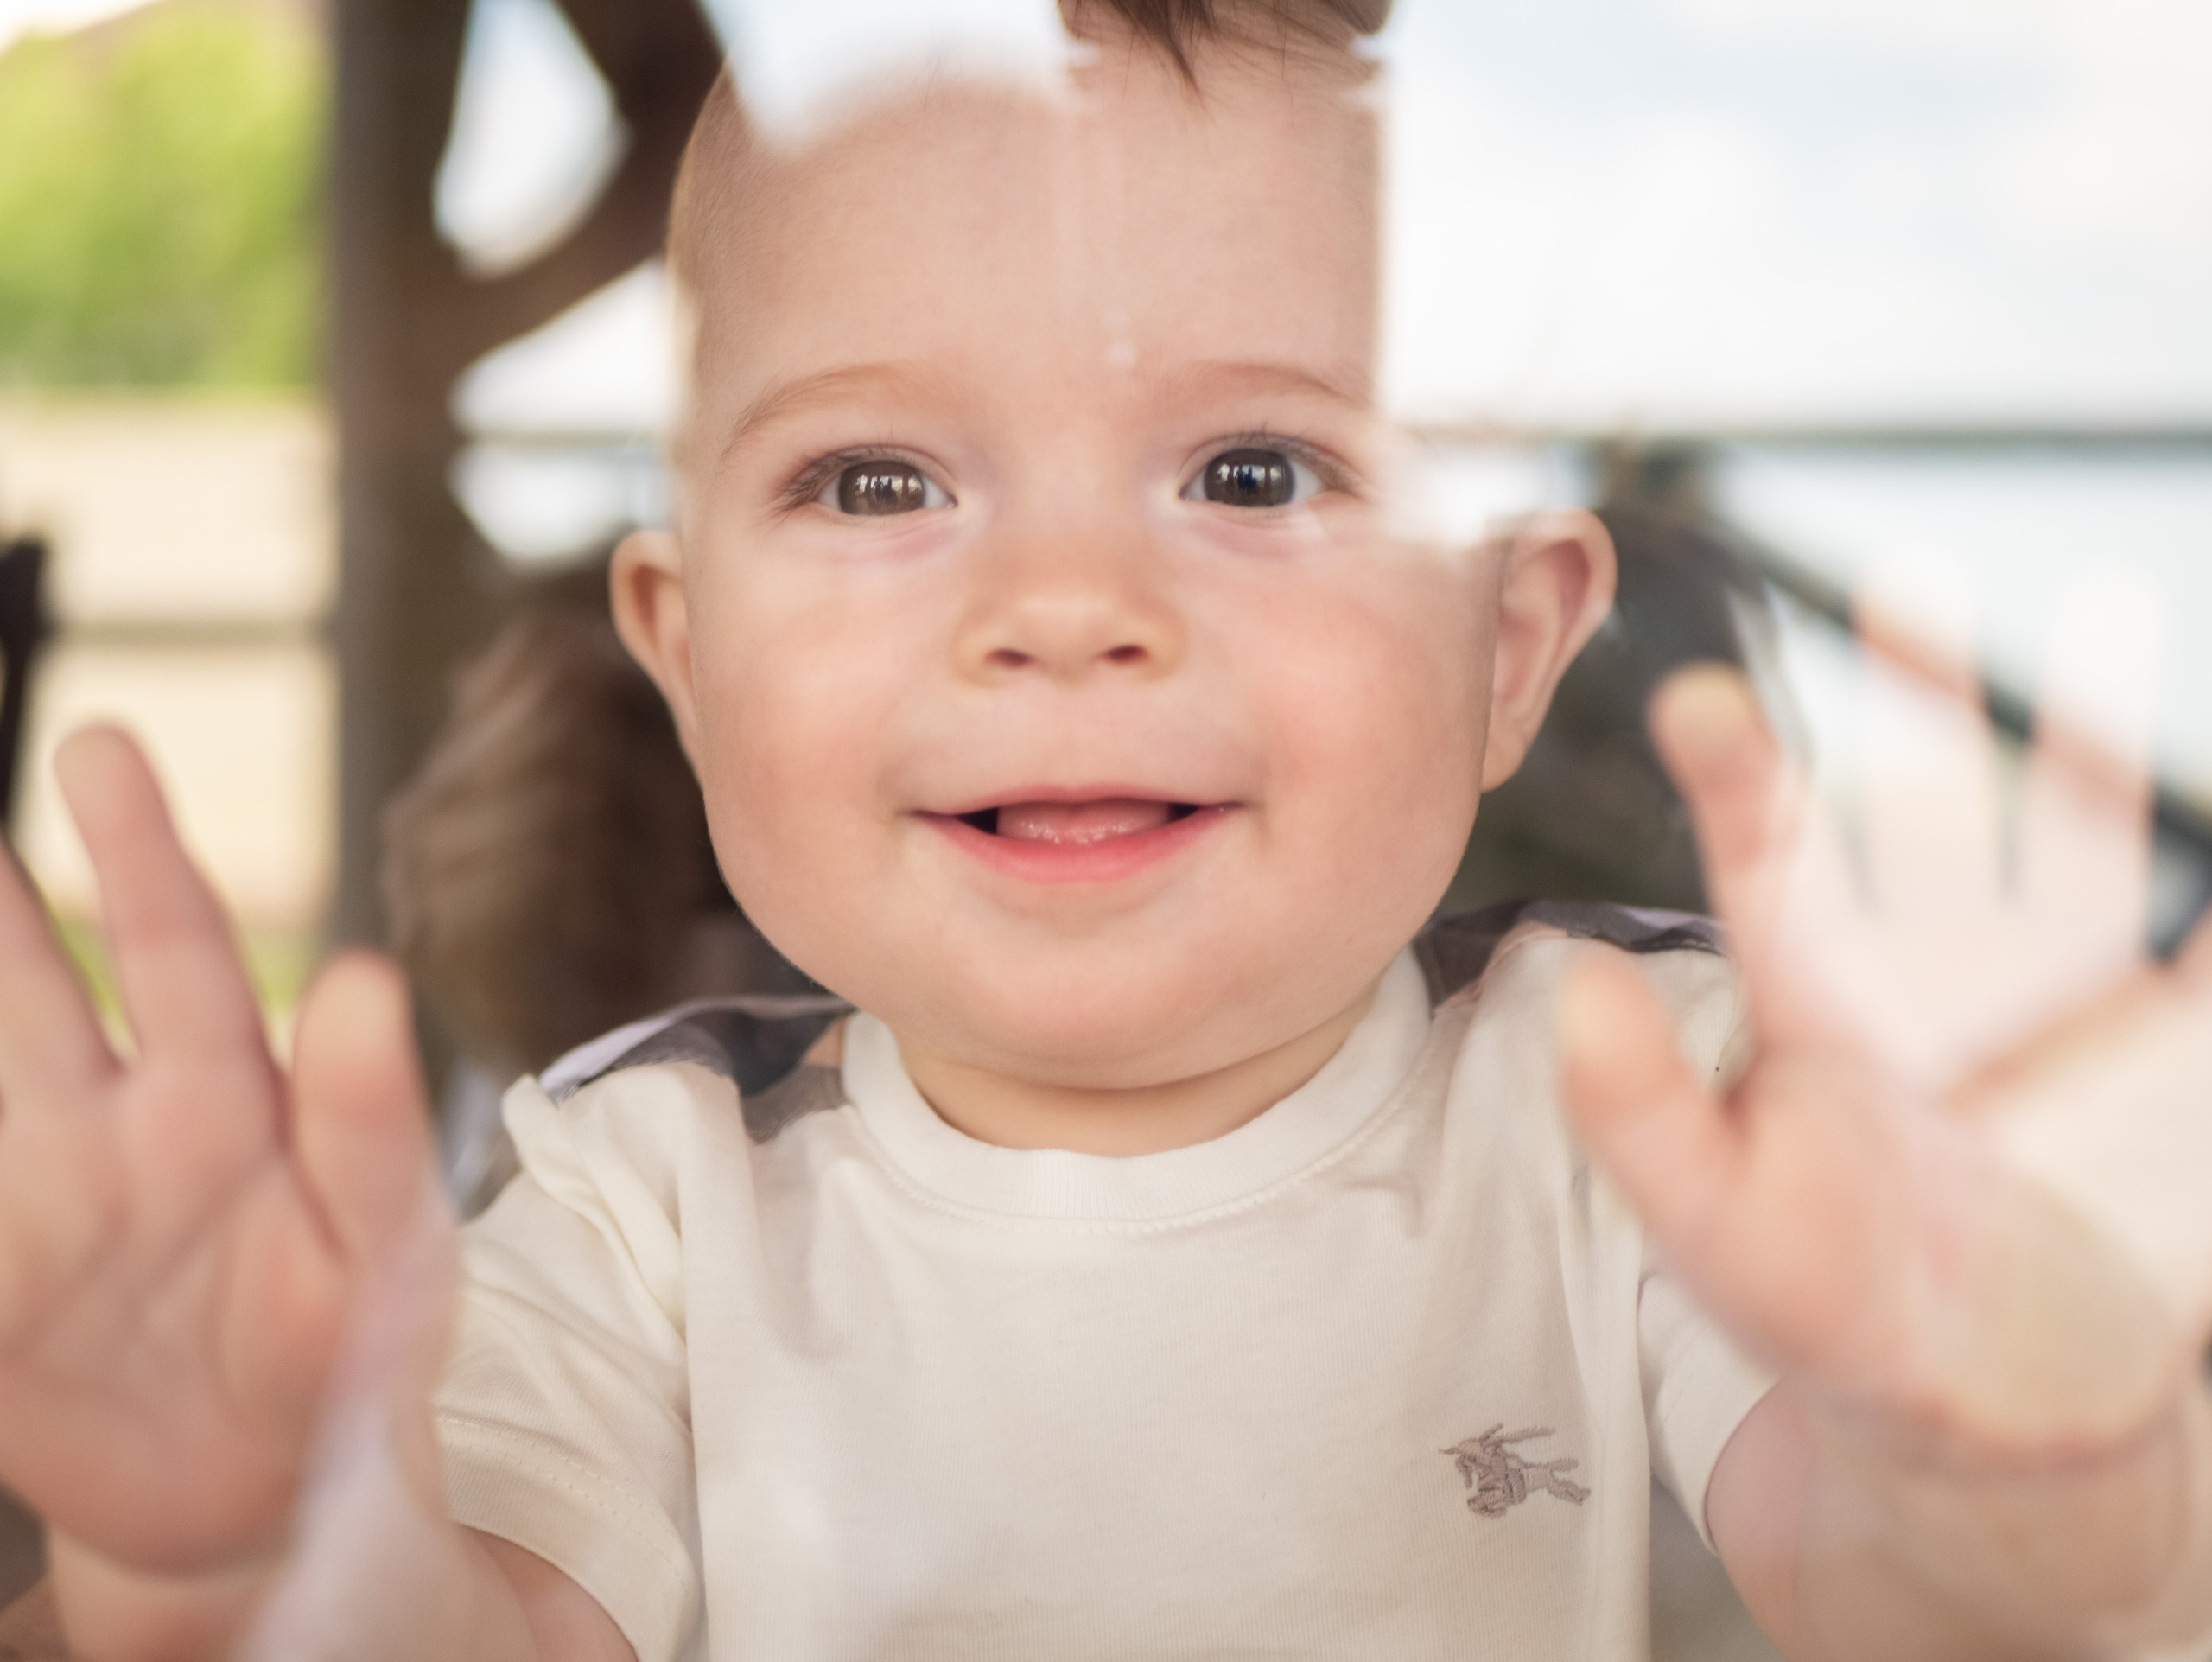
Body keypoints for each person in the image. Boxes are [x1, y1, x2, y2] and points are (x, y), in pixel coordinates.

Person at [2, 3, 2210, 1659]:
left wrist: (2010, 1450)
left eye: (1250, 472)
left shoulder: (1626, 1094)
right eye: (877, 483)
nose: (1061, 610)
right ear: (679, 651)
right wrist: (234, 1555)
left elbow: (1920, 1594)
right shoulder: (644, 1202)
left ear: (1509, 641)